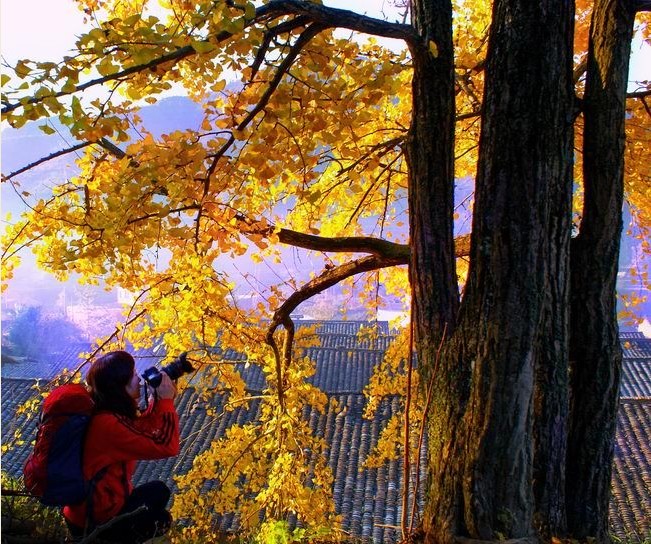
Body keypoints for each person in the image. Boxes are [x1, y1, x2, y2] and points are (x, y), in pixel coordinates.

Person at [63, 350, 180, 543]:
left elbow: (142, 428)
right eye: (134, 376)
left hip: (88, 509)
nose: (139, 380)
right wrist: (166, 401)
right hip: (93, 520)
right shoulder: (107, 426)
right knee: (162, 520)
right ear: (120, 387)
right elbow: (167, 446)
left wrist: (156, 400)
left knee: (159, 491)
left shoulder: (104, 411)